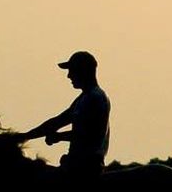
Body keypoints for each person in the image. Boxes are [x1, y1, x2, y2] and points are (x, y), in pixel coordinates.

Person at [15, 51, 111, 180]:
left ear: (83, 71)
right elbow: (57, 122)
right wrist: (26, 136)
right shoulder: (84, 98)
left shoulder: (95, 98)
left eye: (72, 71)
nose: (69, 76)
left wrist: (58, 137)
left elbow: (87, 135)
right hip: (75, 165)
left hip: (85, 168)